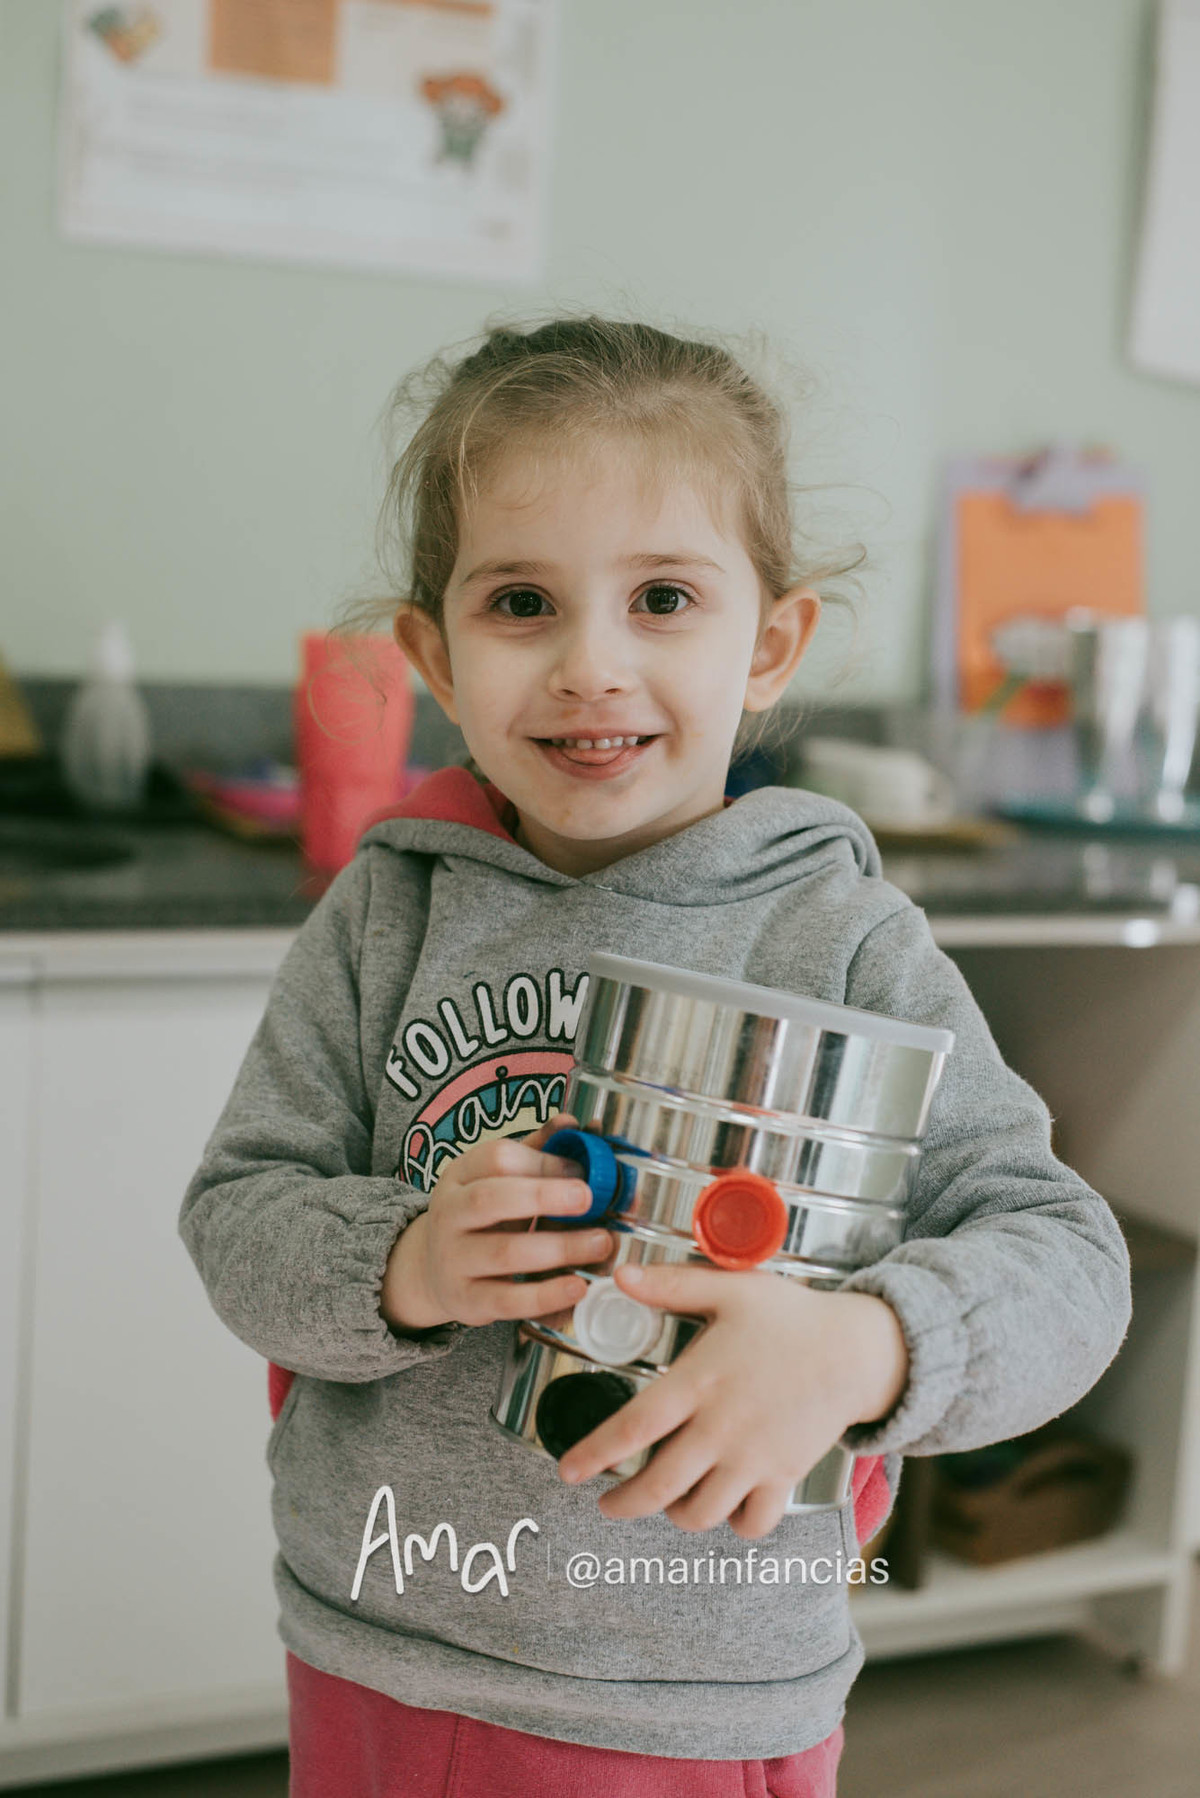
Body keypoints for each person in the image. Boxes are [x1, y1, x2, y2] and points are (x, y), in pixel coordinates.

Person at [179, 317, 1131, 1798]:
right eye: (521, 603)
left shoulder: (846, 938)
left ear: (771, 646)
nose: (592, 666)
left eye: (665, 598)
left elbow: (1070, 1263)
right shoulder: (387, 913)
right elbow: (240, 1218)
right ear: (434, 657)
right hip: (377, 1645)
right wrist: (404, 1264)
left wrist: (866, 1348)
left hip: (699, 1707)